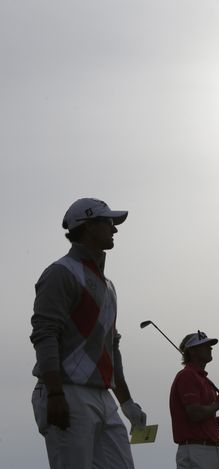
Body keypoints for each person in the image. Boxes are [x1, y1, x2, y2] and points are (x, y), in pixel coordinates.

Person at [30, 198, 147, 469]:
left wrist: (127, 403)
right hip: (66, 391)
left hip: (101, 395)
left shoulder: (109, 286)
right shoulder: (60, 272)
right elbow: (45, 334)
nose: (114, 229)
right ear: (88, 226)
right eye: (108, 223)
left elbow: (110, 349)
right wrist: (55, 394)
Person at [169, 330, 219, 469]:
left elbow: (206, 424)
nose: (210, 348)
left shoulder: (204, 379)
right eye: (204, 345)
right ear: (192, 351)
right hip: (196, 451)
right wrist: (218, 404)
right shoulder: (187, 376)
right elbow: (195, 414)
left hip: (210, 450)